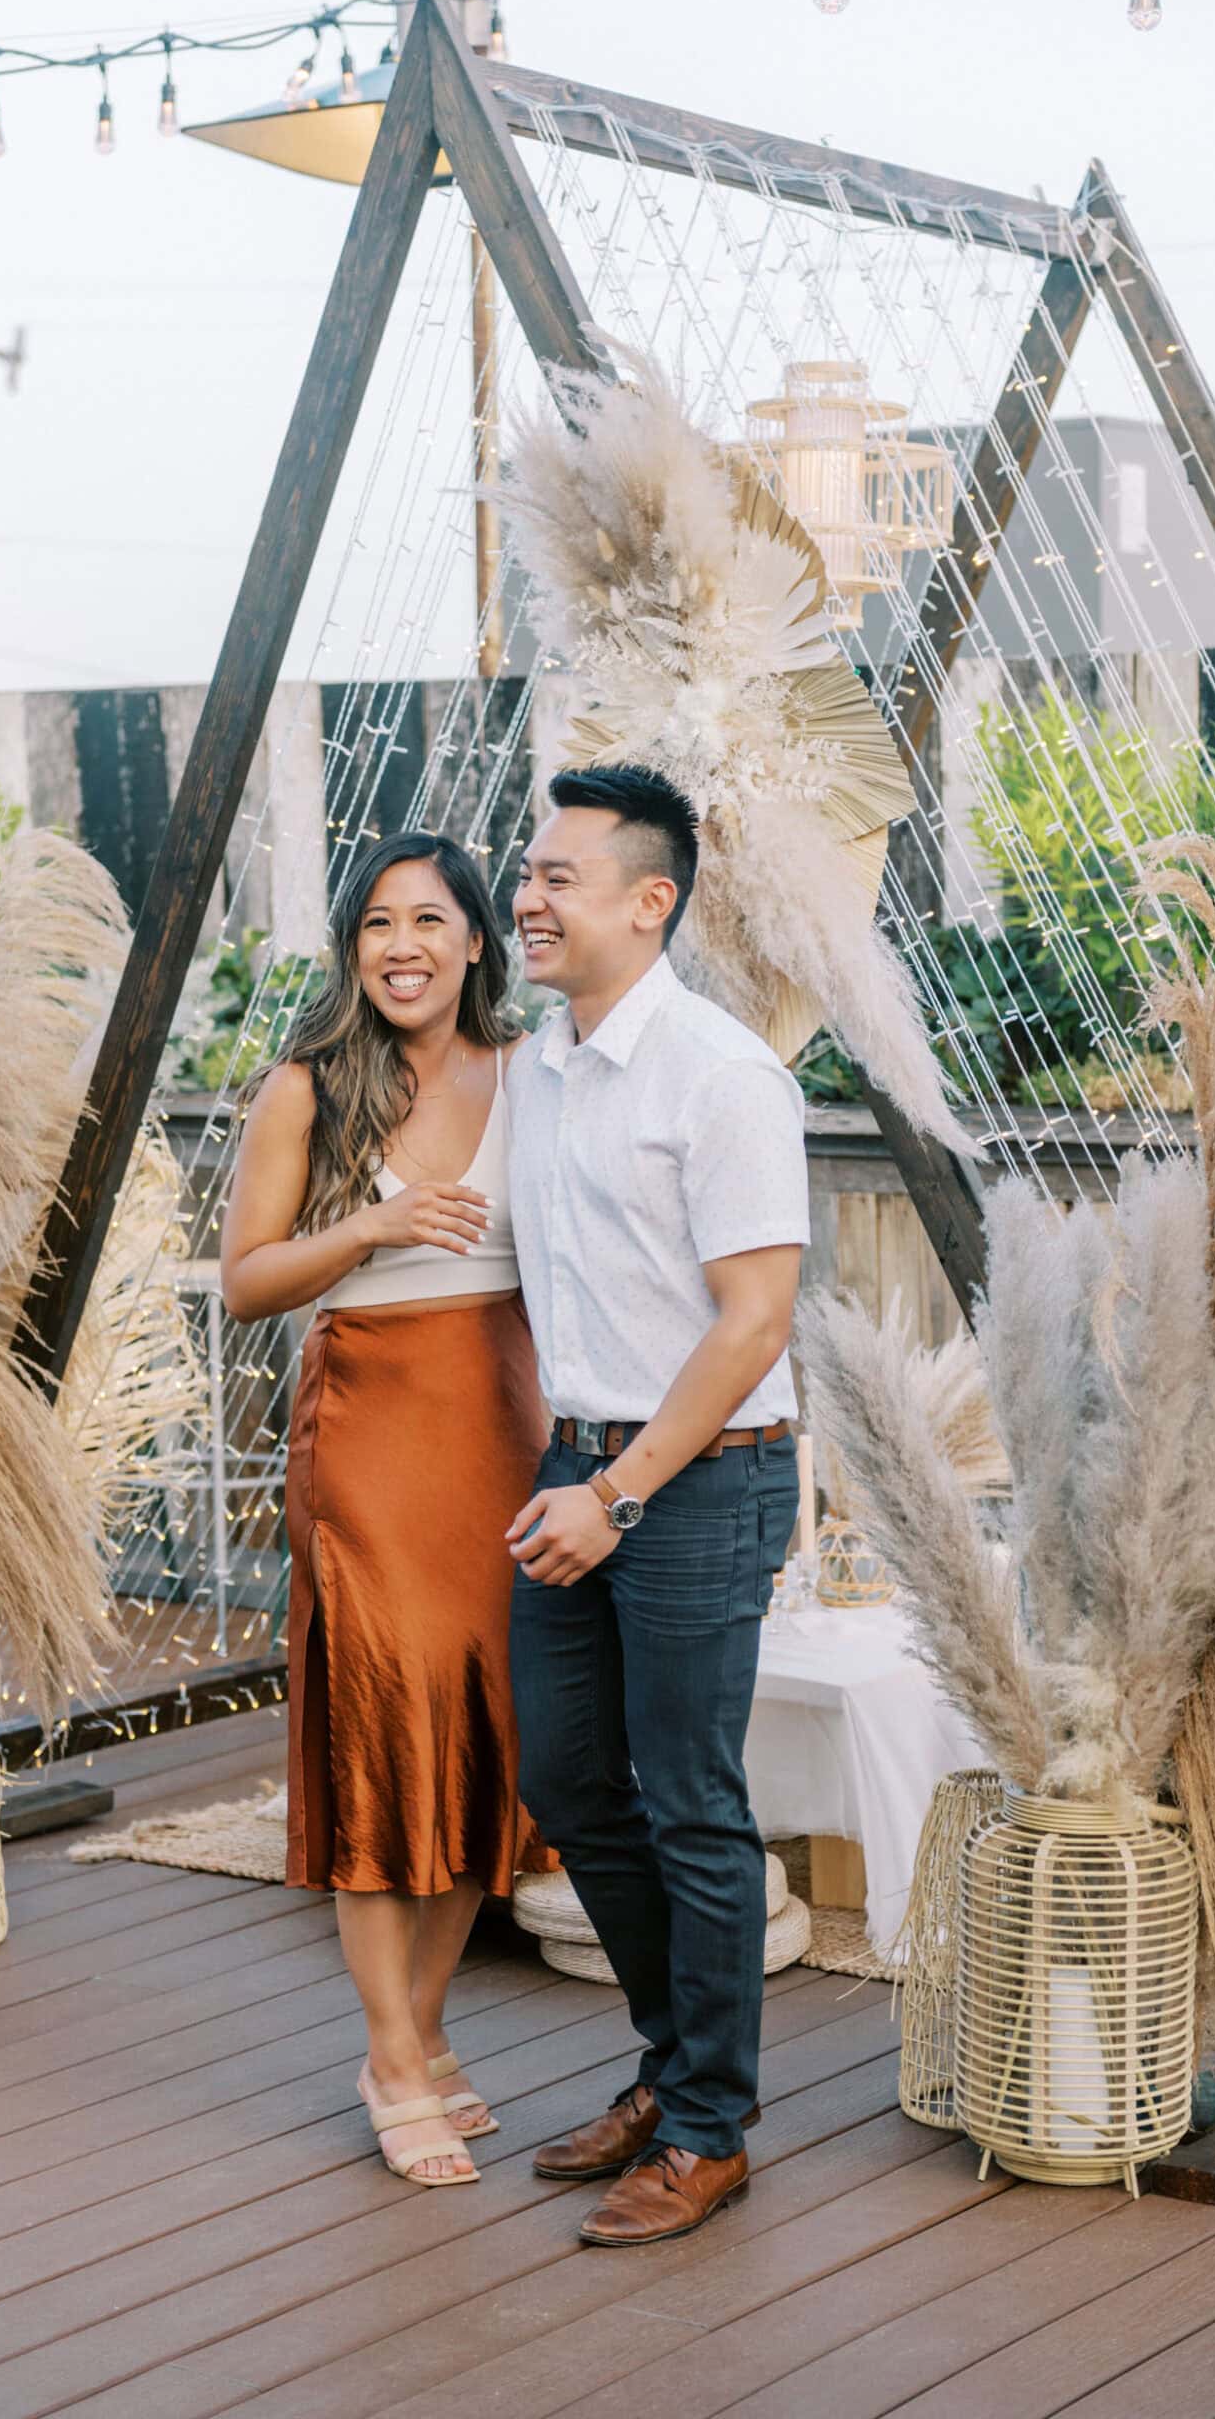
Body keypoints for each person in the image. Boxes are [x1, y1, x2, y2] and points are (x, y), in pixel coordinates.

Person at [220, 830, 550, 2191]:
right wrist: (368, 1229)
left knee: (487, 1727)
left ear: (477, 940)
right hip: (368, 1434)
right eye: (374, 923)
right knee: (381, 1720)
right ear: (352, 952)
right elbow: (244, 1280)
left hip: (508, 1429)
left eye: (428, 919)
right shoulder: (308, 1090)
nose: (401, 945)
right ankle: (396, 2058)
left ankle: (415, 2038)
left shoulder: (539, 1076)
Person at [506, 762, 807, 2247]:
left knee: (693, 1803)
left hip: (697, 1479)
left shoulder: (721, 1074)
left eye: (561, 876)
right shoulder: (540, 1067)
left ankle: (705, 2128)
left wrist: (614, 1496)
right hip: (578, 1466)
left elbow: (752, 1323)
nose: (529, 896)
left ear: (650, 900)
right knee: (567, 1783)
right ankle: (669, 2064)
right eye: (529, 872)